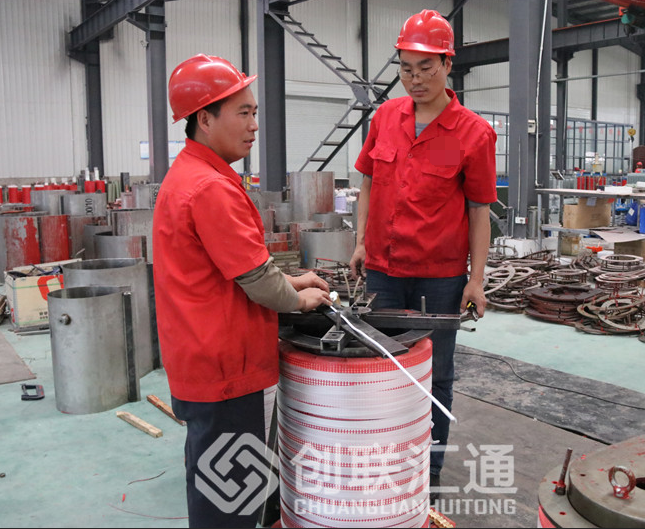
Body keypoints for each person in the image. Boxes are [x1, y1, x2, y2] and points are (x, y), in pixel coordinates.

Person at [153, 54, 331, 529]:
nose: (254, 125)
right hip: (224, 367)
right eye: (244, 113)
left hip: (203, 356)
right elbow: (257, 281)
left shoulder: (192, 174)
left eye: (255, 112)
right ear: (205, 119)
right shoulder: (209, 187)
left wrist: (290, 280)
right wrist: (298, 298)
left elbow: (230, 269)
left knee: (222, 486)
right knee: (229, 502)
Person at [348, 9, 496, 501]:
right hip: (384, 272)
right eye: (406, 68)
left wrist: (476, 279)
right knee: (380, 367)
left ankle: (427, 474)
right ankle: (384, 461)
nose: (415, 79)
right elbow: (368, 183)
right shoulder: (386, 118)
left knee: (436, 375)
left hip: (440, 278)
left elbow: (479, 211)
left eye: (426, 68)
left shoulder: (474, 133)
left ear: (448, 64)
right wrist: (361, 241)